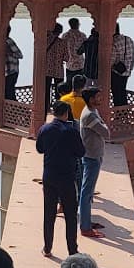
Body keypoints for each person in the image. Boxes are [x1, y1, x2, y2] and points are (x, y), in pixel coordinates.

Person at [36, 100, 84, 258]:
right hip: (67, 177)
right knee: (70, 215)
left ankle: (47, 248)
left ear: (53, 112)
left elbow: (39, 149)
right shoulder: (71, 131)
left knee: (49, 214)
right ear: (66, 113)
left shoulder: (44, 129)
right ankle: (72, 250)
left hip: (49, 176)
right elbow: (81, 152)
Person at [77, 87, 110, 238]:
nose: (100, 99)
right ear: (91, 99)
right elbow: (106, 133)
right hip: (91, 157)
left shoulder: (93, 111)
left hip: (94, 155)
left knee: (88, 192)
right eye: (98, 97)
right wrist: (103, 126)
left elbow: (103, 129)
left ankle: (87, 221)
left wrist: (103, 125)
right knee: (86, 192)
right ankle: (85, 227)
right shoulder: (89, 115)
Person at [109, 30, 134, 106]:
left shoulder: (114, 41)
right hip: (126, 72)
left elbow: (112, 60)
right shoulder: (129, 39)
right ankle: (124, 110)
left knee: (116, 93)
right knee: (122, 91)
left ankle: (118, 111)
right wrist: (130, 69)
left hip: (116, 72)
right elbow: (133, 56)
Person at [43, 23, 67, 102]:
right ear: (60, 31)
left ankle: (45, 107)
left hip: (47, 70)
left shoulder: (45, 41)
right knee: (59, 92)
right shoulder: (63, 42)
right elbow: (67, 58)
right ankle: (58, 107)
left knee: (46, 91)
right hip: (58, 71)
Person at [59, 18, 87, 83]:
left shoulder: (65, 36)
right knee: (80, 84)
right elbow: (86, 48)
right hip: (80, 64)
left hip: (69, 64)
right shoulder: (82, 35)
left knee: (69, 84)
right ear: (77, 24)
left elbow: (61, 49)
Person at [3, 29, 22, 101]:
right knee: (7, 93)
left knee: (9, 92)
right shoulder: (2, 41)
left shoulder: (8, 41)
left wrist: (10, 53)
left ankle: (16, 107)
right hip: (7, 72)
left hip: (12, 71)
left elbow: (20, 55)